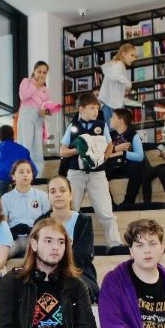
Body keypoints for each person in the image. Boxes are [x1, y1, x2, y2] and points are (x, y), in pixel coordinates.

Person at [60, 92, 123, 251]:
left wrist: (103, 158)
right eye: (92, 108)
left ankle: (115, 244)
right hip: (76, 173)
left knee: (106, 211)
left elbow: (110, 145)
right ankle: (66, 247)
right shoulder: (72, 127)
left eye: (97, 108)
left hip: (97, 174)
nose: (96, 111)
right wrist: (80, 149)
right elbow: (62, 151)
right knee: (71, 210)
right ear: (81, 109)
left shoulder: (102, 125)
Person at [35, 176, 99, 302]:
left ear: (71, 195)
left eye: (62, 190)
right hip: (46, 271)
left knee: (76, 287)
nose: (58, 194)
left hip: (78, 271)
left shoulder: (83, 221)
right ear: (48, 197)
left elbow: (83, 255)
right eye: (53, 191)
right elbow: (37, 254)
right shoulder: (40, 222)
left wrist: (59, 271)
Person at [1, 159, 49, 259]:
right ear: (13, 176)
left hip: (36, 237)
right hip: (15, 238)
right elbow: (3, 223)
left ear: (32, 175)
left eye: (28, 172)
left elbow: (48, 221)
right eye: (21, 172)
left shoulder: (42, 196)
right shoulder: (6, 198)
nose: (25, 175)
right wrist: (11, 232)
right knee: (2, 253)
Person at [105, 108, 148, 210]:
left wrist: (123, 153)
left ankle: (128, 202)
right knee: (99, 173)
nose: (110, 119)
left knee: (138, 168)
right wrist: (116, 150)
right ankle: (110, 204)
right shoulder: (110, 136)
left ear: (121, 120)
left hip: (128, 165)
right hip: (113, 164)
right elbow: (103, 154)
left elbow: (139, 156)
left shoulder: (133, 135)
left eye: (113, 117)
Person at [17, 61, 53, 173]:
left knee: (38, 148)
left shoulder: (46, 90)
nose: (42, 74)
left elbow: (49, 107)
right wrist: (36, 85)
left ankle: (37, 175)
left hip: (39, 118)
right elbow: (23, 96)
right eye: (39, 71)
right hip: (27, 115)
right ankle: (24, 172)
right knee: (26, 145)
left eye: (44, 72)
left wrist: (46, 111)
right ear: (34, 71)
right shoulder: (26, 82)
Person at [98, 42, 140, 123]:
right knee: (115, 127)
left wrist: (124, 88)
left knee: (113, 126)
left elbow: (115, 81)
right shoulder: (118, 64)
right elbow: (115, 75)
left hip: (110, 103)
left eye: (135, 57)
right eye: (132, 55)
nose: (133, 59)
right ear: (123, 54)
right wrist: (128, 84)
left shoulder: (117, 64)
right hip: (111, 104)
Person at [0, 124, 35, 194]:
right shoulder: (23, 150)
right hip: (18, 178)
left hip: (0, 177)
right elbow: (33, 169)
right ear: (13, 136)